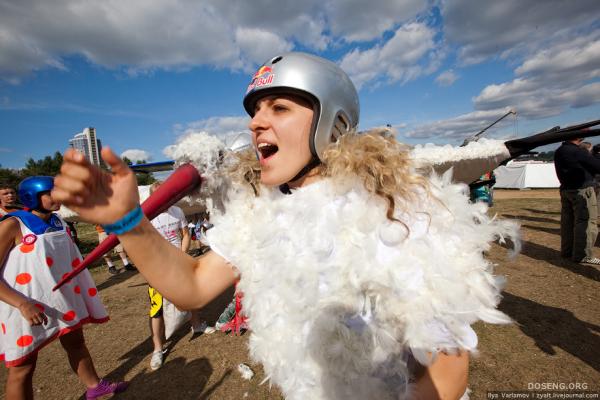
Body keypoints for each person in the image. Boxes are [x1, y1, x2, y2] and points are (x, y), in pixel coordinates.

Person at [52, 52, 518, 400]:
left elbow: (447, 370)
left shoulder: (399, 209)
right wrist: (129, 223)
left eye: (279, 108)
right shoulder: (259, 210)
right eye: (255, 111)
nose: (256, 122)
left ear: (332, 124)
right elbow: (194, 287)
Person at [0, 176, 127, 400]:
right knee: (23, 366)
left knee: (76, 342)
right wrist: (22, 304)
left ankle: (94, 386)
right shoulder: (12, 224)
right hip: (22, 305)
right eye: (51, 193)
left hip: (60, 299)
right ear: (33, 196)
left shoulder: (57, 221)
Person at [146, 182, 212, 370]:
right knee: (156, 309)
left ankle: (197, 325)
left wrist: (182, 255)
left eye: (167, 194)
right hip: (157, 269)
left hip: (179, 263)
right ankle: (158, 349)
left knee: (189, 296)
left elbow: (184, 234)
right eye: (160, 196)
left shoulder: (177, 211)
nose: (165, 199)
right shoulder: (147, 215)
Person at [554, 137, 600, 264]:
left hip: (566, 189)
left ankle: (567, 251)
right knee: (586, 222)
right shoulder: (577, 151)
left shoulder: (559, 150)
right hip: (582, 190)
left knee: (567, 222)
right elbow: (597, 166)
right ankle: (583, 255)